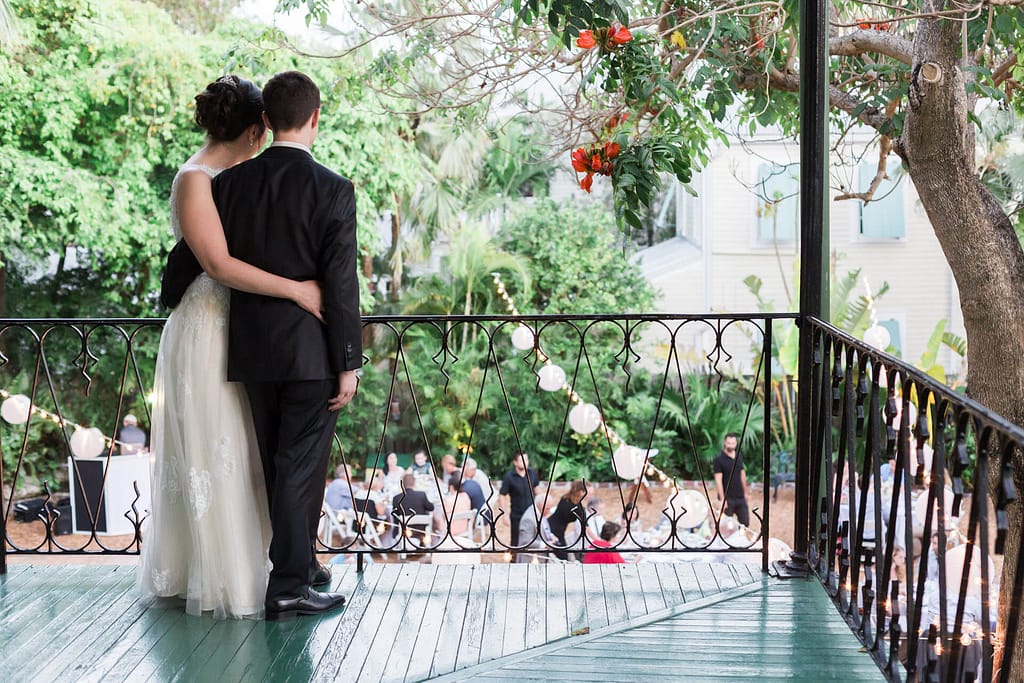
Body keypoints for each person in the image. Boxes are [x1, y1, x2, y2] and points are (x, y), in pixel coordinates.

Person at [138, 74, 331, 619]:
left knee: (249, 452)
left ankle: (284, 564)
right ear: (254, 129)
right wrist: (297, 289)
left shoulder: (250, 176)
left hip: (247, 327)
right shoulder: (196, 179)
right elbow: (218, 264)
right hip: (205, 324)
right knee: (214, 447)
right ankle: (218, 572)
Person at [499, 451, 540, 547]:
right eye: (522, 460)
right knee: (515, 541)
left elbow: (537, 490)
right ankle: (513, 561)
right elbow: (502, 495)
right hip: (517, 515)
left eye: (526, 459)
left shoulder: (532, 473)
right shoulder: (509, 477)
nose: (525, 462)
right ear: (515, 462)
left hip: (532, 514)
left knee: (534, 539)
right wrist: (504, 514)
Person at [713, 432, 750, 528]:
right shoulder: (719, 459)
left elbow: (742, 474)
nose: (731, 445)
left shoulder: (739, 456)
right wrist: (722, 499)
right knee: (726, 525)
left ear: (736, 443)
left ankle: (741, 541)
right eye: (729, 443)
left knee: (745, 523)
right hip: (727, 498)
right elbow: (718, 480)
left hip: (740, 496)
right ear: (725, 442)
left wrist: (746, 492)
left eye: (733, 443)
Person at [547, 480, 587, 560]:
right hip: (556, 530)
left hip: (550, 524)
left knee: (554, 553)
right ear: (580, 491)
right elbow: (585, 523)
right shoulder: (576, 507)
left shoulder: (565, 498)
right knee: (563, 556)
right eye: (584, 491)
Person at [392, 473, 434, 544]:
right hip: (421, 531)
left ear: (403, 484)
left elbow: (395, 517)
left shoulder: (396, 498)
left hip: (404, 531)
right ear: (414, 483)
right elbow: (431, 508)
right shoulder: (421, 495)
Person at [516, 493, 554, 563]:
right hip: (530, 561)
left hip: (539, 558)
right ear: (540, 505)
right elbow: (525, 541)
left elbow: (544, 528)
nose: (549, 511)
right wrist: (545, 545)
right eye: (547, 508)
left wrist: (551, 536)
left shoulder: (539, 512)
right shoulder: (529, 519)